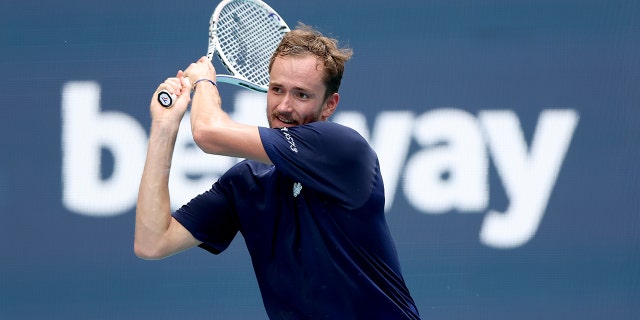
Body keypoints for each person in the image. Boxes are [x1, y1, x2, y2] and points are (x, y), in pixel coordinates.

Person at [134, 24, 420, 319]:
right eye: (277, 89)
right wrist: (164, 128)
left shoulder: (343, 150)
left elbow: (207, 132)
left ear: (329, 105)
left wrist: (204, 82)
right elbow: (152, 242)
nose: (284, 106)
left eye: (301, 95)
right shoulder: (246, 183)